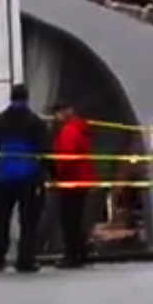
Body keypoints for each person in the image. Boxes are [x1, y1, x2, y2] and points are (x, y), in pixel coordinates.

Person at [0, 84, 50, 273]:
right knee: (28, 223)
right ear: (27, 98)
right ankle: (25, 260)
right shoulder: (35, 122)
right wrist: (48, 173)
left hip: (2, 177)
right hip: (29, 177)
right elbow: (46, 151)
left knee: (0, 220)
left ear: (11, 98)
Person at [50, 101, 96, 269]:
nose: (56, 118)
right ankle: (81, 251)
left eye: (57, 113)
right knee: (76, 218)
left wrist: (56, 174)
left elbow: (66, 157)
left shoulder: (69, 131)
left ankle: (72, 254)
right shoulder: (80, 128)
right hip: (82, 179)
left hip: (71, 180)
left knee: (68, 220)